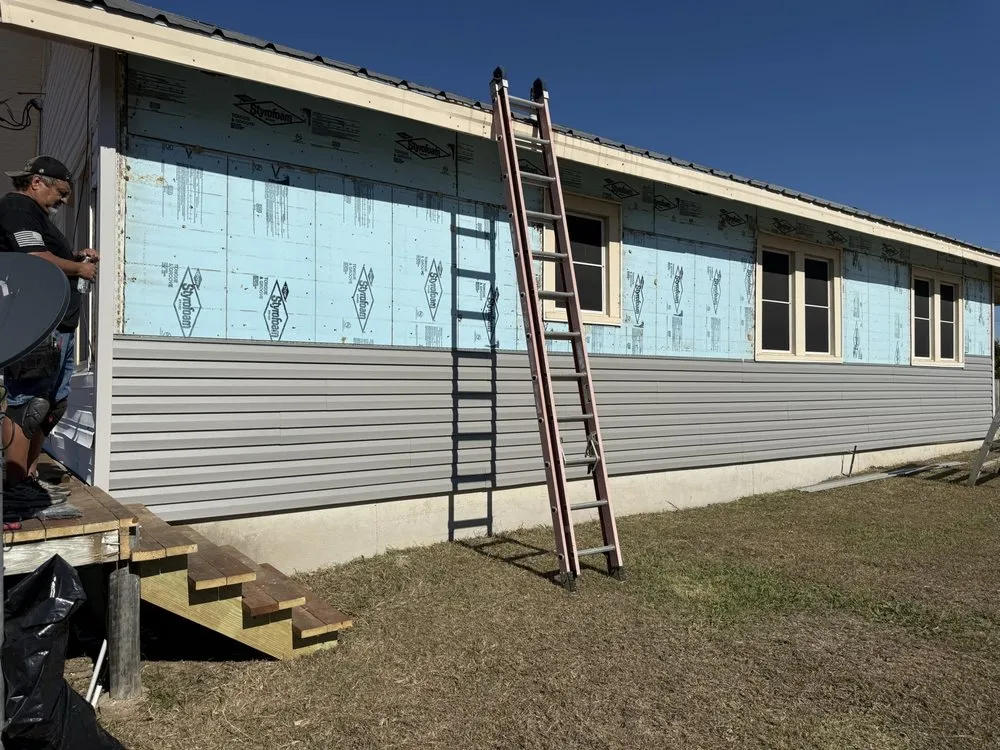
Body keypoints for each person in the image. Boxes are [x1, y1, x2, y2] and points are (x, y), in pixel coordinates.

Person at [0, 156, 99, 503]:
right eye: (61, 191)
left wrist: (74, 255)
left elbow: (44, 251)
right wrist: (78, 268)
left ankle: (27, 478)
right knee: (28, 402)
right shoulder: (17, 207)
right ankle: (12, 486)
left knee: (52, 405)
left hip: (59, 323)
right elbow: (33, 258)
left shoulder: (37, 215)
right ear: (37, 182)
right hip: (35, 322)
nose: (64, 200)